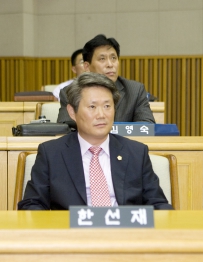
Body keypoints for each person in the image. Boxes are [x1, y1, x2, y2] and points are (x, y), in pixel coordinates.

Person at [19, 72, 172, 210]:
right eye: (92, 107)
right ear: (72, 112)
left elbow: (158, 204)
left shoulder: (136, 153)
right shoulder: (51, 154)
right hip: (72, 235)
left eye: (107, 106)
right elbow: (32, 205)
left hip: (125, 235)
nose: (101, 115)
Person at [56, 34, 155, 126]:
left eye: (113, 58)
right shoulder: (69, 92)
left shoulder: (135, 91)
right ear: (87, 66)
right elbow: (66, 128)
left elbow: (146, 126)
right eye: (102, 59)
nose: (110, 64)